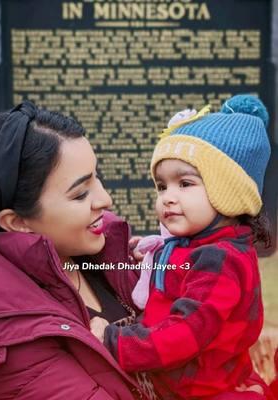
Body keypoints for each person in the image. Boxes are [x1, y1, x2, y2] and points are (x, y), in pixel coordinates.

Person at [92, 94, 276, 399]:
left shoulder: (220, 260)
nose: (167, 196)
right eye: (162, 186)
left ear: (228, 194)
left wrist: (112, 340)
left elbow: (185, 334)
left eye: (185, 184)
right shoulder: (195, 246)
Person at [0, 101, 146, 399]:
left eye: (98, 177)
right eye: (81, 193)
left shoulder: (110, 253)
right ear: (17, 222)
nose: (105, 199)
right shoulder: (2, 325)